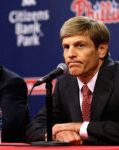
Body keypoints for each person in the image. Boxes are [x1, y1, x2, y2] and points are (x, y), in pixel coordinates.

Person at [26, 16, 119, 145]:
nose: (70, 54)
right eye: (66, 47)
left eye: (80, 45)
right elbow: (35, 127)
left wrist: (79, 128)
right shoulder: (65, 84)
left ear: (101, 50)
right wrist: (57, 133)